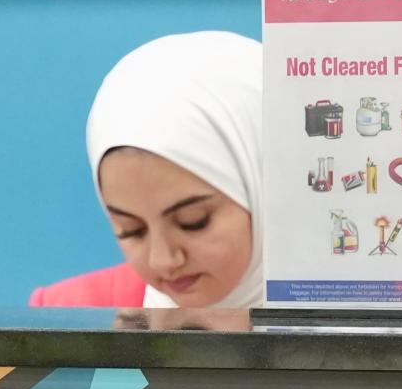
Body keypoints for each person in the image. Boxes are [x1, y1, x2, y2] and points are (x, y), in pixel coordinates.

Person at [31, 30, 266, 311]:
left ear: (267, 188)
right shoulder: (68, 315)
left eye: (193, 222)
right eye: (130, 230)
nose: (163, 260)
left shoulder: (319, 321)